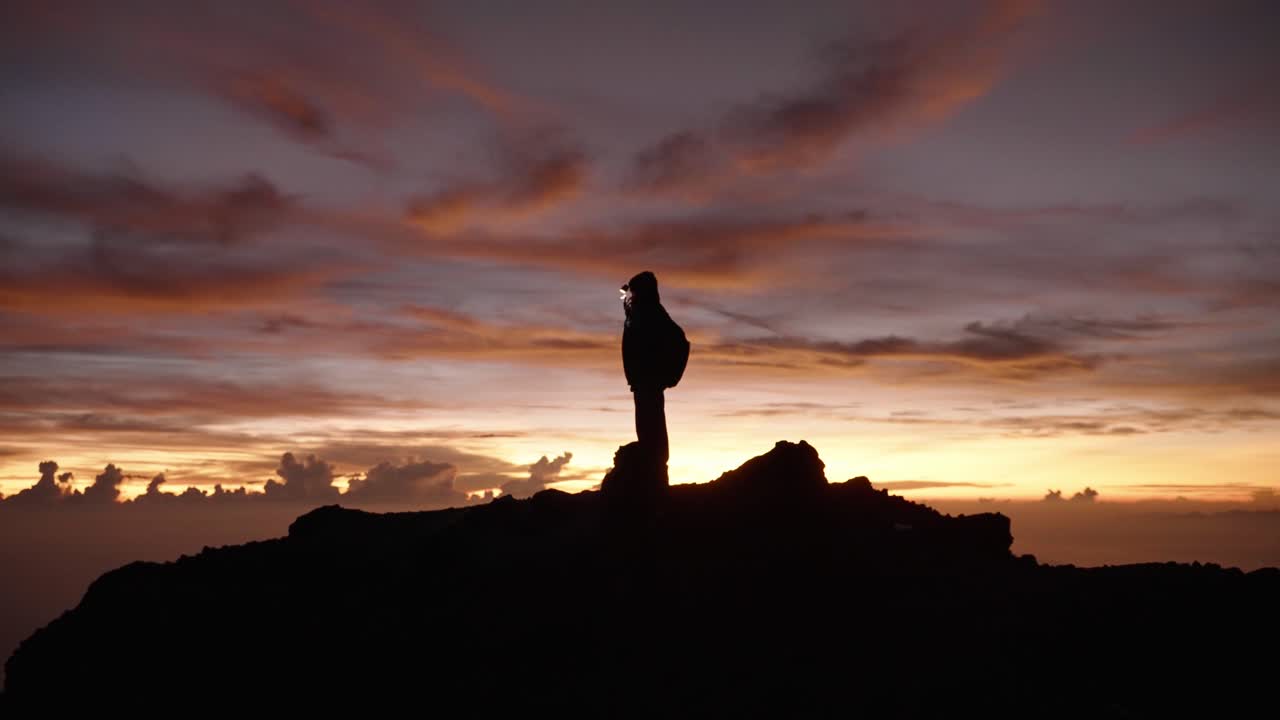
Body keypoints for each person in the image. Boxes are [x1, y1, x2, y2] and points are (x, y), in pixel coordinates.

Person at [620, 271, 689, 469]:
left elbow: (677, 338)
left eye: (634, 291)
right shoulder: (644, 311)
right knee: (647, 421)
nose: (631, 295)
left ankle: (654, 461)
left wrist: (663, 374)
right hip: (643, 380)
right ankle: (652, 458)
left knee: (651, 421)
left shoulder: (651, 312)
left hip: (648, 380)